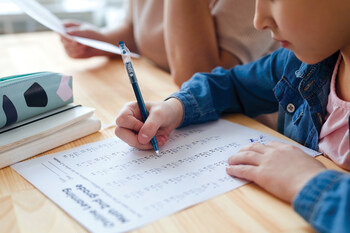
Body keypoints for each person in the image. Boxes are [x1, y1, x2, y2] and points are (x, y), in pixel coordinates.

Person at [114, 0, 350, 232]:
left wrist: (307, 181)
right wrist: (175, 108)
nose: (259, 21)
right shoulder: (298, 64)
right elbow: (232, 85)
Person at [60, 0, 278, 87]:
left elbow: (200, 79)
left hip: (244, 130)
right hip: (161, 94)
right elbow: (136, 28)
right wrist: (103, 40)